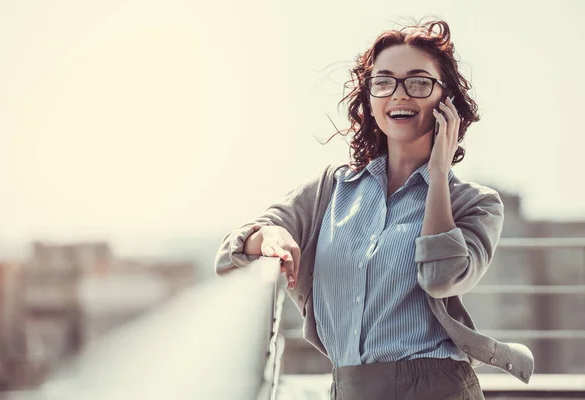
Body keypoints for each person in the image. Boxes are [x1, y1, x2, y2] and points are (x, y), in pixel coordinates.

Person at [215, 19, 534, 399]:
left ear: (445, 100)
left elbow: (441, 277)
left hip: (437, 387)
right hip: (348, 387)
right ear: (369, 98)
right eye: (384, 83)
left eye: (418, 82)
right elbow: (229, 255)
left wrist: (437, 175)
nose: (399, 95)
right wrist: (271, 235)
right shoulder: (332, 188)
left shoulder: (476, 203)